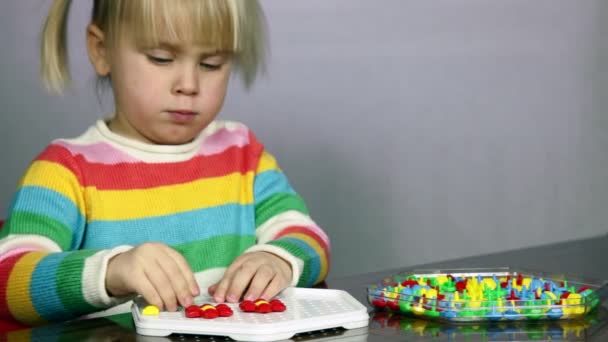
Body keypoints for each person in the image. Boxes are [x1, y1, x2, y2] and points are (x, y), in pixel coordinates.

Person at [0, 0, 330, 326]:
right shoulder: (64, 170)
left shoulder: (244, 156)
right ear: (101, 51)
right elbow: (8, 280)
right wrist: (111, 271)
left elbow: (308, 238)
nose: (188, 85)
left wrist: (278, 259)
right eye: (162, 58)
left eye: (211, 64)